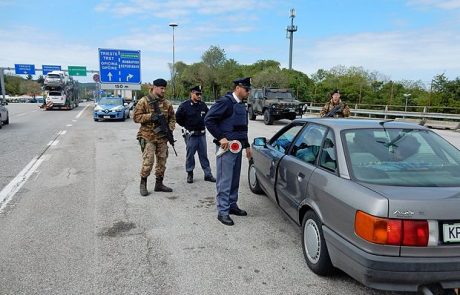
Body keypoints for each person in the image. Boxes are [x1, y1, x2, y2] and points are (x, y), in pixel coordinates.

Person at [204, 77, 253, 226]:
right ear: (238, 87)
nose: (248, 92)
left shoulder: (241, 105)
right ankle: (223, 211)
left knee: (234, 179)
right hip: (226, 149)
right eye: (246, 89)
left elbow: (242, 128)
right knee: (224, 180)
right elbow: (209, 120)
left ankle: (232, 205)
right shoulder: (225, 102)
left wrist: (247, 146)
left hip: (237, 147)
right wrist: (221, 138)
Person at [133, 78, 176, 196]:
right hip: (148, 137)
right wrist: (151, 116)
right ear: (154, 87)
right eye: (161, 88)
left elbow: (172, 118)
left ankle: (159, 184)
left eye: (164, 88)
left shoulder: (167, 103)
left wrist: (169, 129)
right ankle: (143, 184)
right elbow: (136, 118)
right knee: (149, 161)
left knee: (162, 161)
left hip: (162, 137)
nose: (163, 91)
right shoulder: (144, 101)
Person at [175, 85, 216, 184]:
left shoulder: (203, 105)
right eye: (197, 94)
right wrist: (186, 126)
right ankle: (190, 173)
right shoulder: (184, 105)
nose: (199, 96)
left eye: (200, 94)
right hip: (191, 135)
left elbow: (208, 116)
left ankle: (208, 174)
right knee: (190, 155)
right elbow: (178, 118)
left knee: (204, 155)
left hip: (201, 134)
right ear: (192, 93)